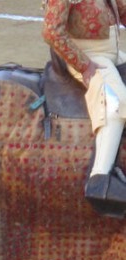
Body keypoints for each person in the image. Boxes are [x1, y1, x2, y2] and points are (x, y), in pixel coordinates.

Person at [43, 0, 126, 215]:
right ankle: (100, 179)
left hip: (112, 54)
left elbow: (123, 12)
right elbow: (52, 32)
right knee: (117, 102)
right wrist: (85, 65)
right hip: (88, 56)